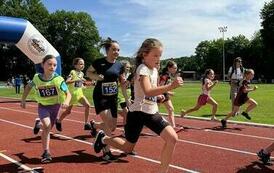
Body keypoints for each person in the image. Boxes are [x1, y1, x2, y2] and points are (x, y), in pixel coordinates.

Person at [93, 38, 183, 173]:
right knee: (128, 147)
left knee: (172, 139)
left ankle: (163, 171)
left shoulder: (154, 70)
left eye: (160, 56)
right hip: (138, 113)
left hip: (151, 111)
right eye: (155, 55)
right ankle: (103, 138)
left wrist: (159, 94)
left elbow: (152, 89)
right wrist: (170, 86)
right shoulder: (143, 69)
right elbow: (147, 90)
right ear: (144, 55)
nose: (158, 59)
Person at [21, 55, 71, 163]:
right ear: (42, 65)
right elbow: (28, 87)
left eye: (54, 65)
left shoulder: (59, 80)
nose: (52, 67)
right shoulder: (36, 78)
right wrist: (23, 99)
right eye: (49, 64)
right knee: (47, 127)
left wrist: (66, 101)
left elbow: (68, 94)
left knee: (47, 128)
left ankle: (38, 124)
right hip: (43, 106)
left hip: (55, 107)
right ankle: (46, 152)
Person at [86, 37, 128, 160]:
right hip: (100, 96)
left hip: (112, 98)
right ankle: (107, 151)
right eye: (114, 49)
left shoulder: (120, 65)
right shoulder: (99, 62)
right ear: (108, 50)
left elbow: (122, 80)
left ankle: (95, 126)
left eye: (118, 50)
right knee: (109, 125)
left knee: (113, 126)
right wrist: (97, 77)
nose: (117, 52)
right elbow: (88, 72)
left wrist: (124, 83)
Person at [55, 57, 91, 131]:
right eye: (80, 64)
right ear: (75, 65)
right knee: (68, 112)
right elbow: (67, 81)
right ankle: (58, 121)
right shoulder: (72, 72)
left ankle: (86, 124)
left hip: (79, 94)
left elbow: (79, 83)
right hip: (72, 95)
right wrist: (76, 80)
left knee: (87, 105)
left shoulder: (82, 73)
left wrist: (84, 85)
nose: (82, 65)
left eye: (83, 64)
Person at [158, 60, 180, 128]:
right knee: (154, 111)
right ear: (169, 68)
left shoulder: (168, 75)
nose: (175, 69)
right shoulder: (164, 76)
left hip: (164, 93)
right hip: (159, 94)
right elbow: (160, 87)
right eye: (174, 68)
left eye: (176, 68)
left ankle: (173, 126)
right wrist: (169, 92)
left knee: (171, 109)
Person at [117, 60, 132, 125]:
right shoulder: (119, 75)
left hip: (128, 95)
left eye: (129, 67)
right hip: (121, 95)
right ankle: (125, 130)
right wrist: (123, 83)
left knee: (129, 113)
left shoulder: (130, 75)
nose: (128, 69)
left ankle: (115, 110)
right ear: (123, 67)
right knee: (126, 111)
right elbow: (118, 85)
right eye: (127, 67)